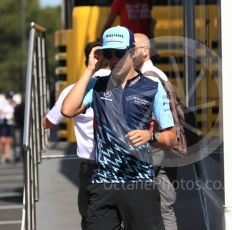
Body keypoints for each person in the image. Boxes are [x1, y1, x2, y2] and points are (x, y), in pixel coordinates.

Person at [61, 26, 176, 230]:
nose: (113, 59)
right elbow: (68, 110)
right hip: (103, 183)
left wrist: (149, 136)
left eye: (119, 53)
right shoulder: (97, 84)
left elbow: (171, 138)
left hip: (139, 183)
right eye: (108, 53)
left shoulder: (153, 87)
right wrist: (90, 69)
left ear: (132, 53)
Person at [43, 41, 110, 230]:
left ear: (86, 60)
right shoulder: (126, 85)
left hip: (91, 167)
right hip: (125, 164)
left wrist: (42, 117)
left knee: (90, 219)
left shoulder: (72, 92)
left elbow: (49, 121)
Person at [134, 33, 178, 230]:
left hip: (154, 147)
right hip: (167, 147)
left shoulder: (148, 78)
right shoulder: (159, 73)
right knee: (165, 206)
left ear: (145, 51)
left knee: (140, 205)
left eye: (132, 48)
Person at [0, 91, 16, 163]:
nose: (10, 99)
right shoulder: (3, 103)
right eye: (9, 97)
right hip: (4, 122)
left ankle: (7, 157)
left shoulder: (13, 104)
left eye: (11, 97)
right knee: (2, 140)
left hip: (10, 123)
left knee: (8, 141)